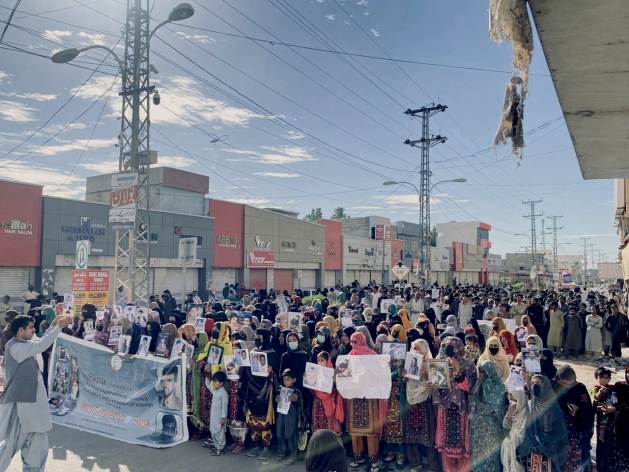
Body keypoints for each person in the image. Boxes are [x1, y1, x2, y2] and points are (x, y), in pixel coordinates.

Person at [0, 313, 72, 471]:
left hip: (31, 407)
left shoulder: (23, 343)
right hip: (22, 407)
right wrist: (59, 327)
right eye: (31, 327)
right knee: (12, 444)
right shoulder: (16, 347)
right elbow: (40, 345)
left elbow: (39, 341)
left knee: (36, 445)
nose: (34, 330)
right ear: (20, 330)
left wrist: (54, 324)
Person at [432, 336, 477, 472]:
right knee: (446, 443)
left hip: (461, 409)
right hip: (445, 408)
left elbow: (470, 387)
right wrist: (433, 384)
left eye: (454, 348)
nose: (451, 351)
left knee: (462, 443)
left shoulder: (469, 365)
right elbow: (437, 387)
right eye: (448, 347)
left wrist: (457, 370)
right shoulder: (440, 364)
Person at [347, 332, 386, 472]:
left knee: (370, 432)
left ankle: (374, 461)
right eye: (351, 341)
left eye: (355, 341)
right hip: (355, 399)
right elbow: (344, 375)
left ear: (362, 341)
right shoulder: (350, 356)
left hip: (369, 399)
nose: (353, 344)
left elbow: (380, 374)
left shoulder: (372, 356)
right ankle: (358, 457)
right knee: (355, 431)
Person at [519, 374, 568, 471]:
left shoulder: (553, 408)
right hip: (531, 453)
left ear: (546, 387)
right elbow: (525, 429)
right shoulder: (530, 404)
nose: (534, 386)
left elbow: (560, 433)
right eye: (532, 383)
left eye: (538, 384)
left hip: (549, 454)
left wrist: (545, 441)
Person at [405, 339, 438, 472]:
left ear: (424, 349)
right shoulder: (410, 361)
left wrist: (428, 376)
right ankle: (415, 463)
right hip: (411, 401)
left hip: (424, 401)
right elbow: (407, 379)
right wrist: (405, 374)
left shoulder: (431, 364)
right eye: (414, 348)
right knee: (411, 434)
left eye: (418, 348)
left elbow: (437, 382)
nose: (416, 350)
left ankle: (432, 465)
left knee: (428, 434)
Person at [555, 365, 594, 472]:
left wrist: (577, 409)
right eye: (563, 383)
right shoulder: (555, 388)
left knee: (581, 458)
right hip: (561, 432)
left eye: (569, 383)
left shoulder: (580, 389)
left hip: (578, 431)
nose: (566, 386)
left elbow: (587, 412)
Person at [470, 360, 506, 472]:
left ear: (490, 371)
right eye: (479, 371)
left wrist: (479, 406)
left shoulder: (499, 386)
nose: (481, 374)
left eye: (483, 371)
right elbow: (471, 401)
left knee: (491, 455)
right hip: (478, 428)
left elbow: (496, 407)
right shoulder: (478, 384)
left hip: (492, 427)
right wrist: (478, 384)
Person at [274, 369, 305, 465]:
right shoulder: (280, 389)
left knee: (290, 434)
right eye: (284, 380)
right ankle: (282, 453)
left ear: (294, 380)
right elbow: (276, 399)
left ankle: (292, 455)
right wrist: (277, 399)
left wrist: (294, 398)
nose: (286, 381)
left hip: (291, 416)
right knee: (280, 432)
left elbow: (299, 400)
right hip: (281, 415)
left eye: (288, 379)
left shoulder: (296, 391)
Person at [592, 367, 617, 472]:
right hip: (601, 421)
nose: (605, 379)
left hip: (611, 420)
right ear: (597, 377)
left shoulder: (612, 389)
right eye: (601, 377)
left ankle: (608, 465)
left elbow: (615, 401)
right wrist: (600, 393)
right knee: (601, 442)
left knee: (610, 442)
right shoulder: (596, 388)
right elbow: (594, 399)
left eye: (607, 377)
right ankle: (601, 466)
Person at [501, 389, 528, 472]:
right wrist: (509, 415)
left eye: (515, 400)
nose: (513, 403)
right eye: (511, 400)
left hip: (519, 452)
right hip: (508, 450)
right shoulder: (511, 413)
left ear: (521, 400)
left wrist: (513, 438)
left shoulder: (526, 415)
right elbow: (505, 431)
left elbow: (523, 436)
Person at [208, 371, 228, 455]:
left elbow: (224, 407)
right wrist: (207, 377)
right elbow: (208, 386)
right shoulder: (215, 391)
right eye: (213, 381)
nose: (214, 383)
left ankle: (220, 448)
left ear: (221, 383)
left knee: (220, 433)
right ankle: (216, 446)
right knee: (213, 432)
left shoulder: (224, 393)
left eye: (215, 382)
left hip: (220, 418)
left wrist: (223, 418)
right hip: (213, 416)